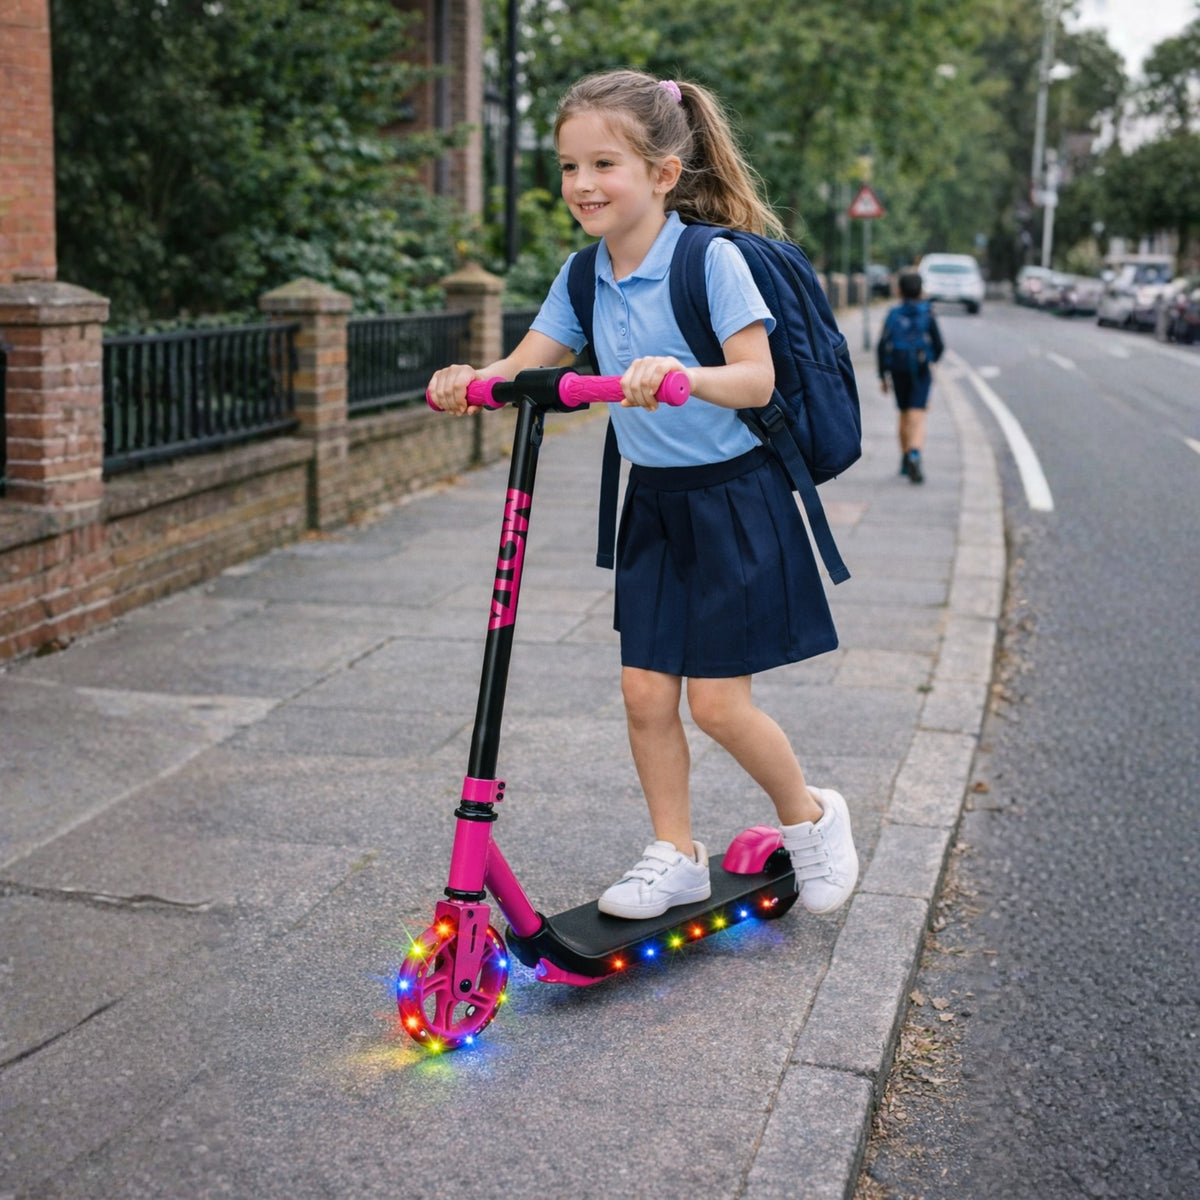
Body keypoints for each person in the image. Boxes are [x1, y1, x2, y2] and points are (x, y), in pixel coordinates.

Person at [426, 69, 857, 921]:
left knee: (720, 704)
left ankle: (812, 819)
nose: (582, 185)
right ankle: (676, 853)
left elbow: (754, 378)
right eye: (568, 167)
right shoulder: (584, 275)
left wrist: (679, 376)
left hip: (737, 499)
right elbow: (525, 366)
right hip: (654, 504)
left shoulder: (712, 260)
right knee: (644, 694)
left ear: (662, 173)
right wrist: (470, 381)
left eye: (604, 165)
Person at [876, 269, 944, 484]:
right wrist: (931, 361)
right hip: (921, 369)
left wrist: (882, 376)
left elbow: (881, 346)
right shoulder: (927, 313)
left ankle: (905, 459)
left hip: (898, 369)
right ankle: (915, 453)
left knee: (904, 413)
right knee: (918, 414)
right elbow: (939, 344)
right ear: (921, 290)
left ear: (899, 290)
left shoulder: (893, 314)